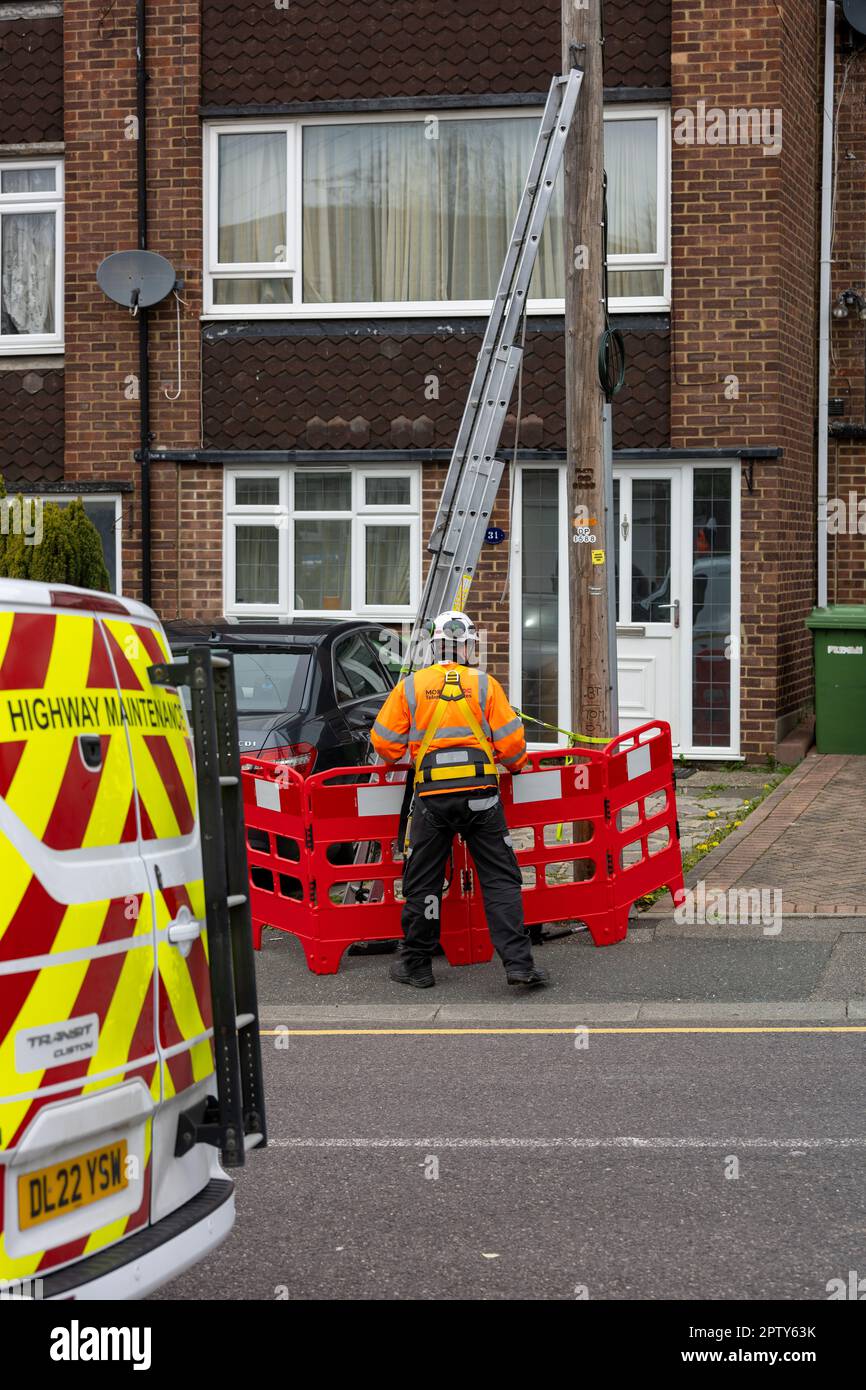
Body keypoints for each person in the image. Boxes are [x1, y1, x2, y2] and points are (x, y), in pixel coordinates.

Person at [370, 610, 549, 990]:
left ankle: (416, 964)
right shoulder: (485, 685)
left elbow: (384, 745)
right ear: (468, 646)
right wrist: (514, 765)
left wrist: (412, 749)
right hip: (482, 797)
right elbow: (514, 746)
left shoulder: (412, 687)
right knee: (500, 880)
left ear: (433, 647)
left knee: (425, 883)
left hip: (432, 800)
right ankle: (519, 965)